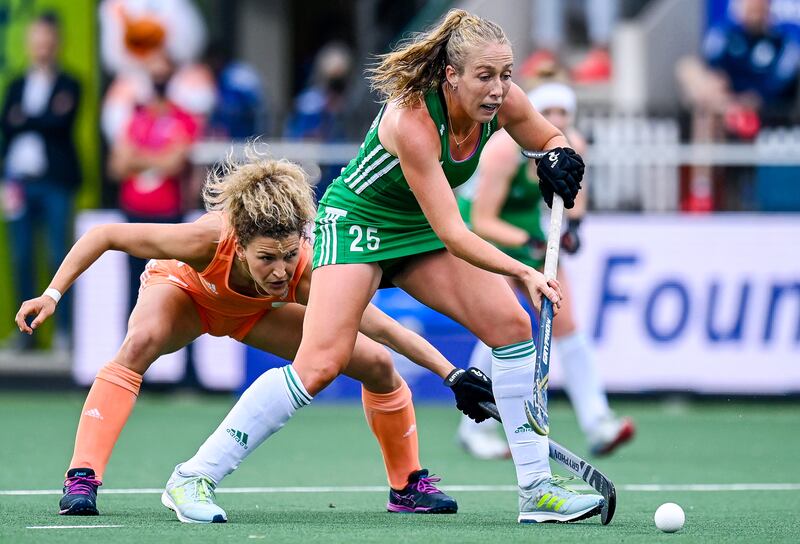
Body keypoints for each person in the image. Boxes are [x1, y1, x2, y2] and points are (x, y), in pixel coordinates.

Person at [208, 9, 604, 524]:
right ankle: (196, 475)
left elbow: (550, 138)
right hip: (358, 222)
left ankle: (537, 490)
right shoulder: (412, 120)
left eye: (506, 75)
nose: (498, 89)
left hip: (415, 226)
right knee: (319, 365)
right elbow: (455, 234)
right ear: (451, 76)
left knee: (509, 327)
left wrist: (556, 156)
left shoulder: (504, 100)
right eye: (484, 76)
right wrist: (525, 271)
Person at [15, 147, 494, 520]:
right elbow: (105, 236)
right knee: (137, 346)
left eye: (288, 255)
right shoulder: (204, 241)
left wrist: (451, 374)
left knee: (377, 365)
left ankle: (407, 486)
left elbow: (379, 324)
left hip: (252, 315)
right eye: (267, 258)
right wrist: (51, 296)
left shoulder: (304, 271)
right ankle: (82, 478)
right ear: (240, 246)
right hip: (185, 294)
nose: (281, 270)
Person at [455, 80, 634, 460]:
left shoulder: (572, 146)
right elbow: (483, 220)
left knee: (567, 324)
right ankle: (474, 428)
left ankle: (598, 422)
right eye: (547, 113)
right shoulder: (504, 151)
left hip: (531, 235)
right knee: (499, 324)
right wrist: (528, 243)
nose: (555, 121)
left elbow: (574, 204)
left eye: (562, 114)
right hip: (491, 235)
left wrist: (572, 233)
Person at [1, 13, 81, 352]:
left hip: (54, 184)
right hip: (18, 183)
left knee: (57, 256)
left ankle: (64, 334)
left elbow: (59, 125)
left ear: (56, 42)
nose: (42, 46)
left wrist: (27, 119)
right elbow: (8, 124)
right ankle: (25, 335)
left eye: (48, 39)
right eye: (37, 39)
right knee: (20, 256)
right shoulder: (18, 84)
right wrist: (43, 118)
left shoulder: (69, 84)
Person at [676, 0, 800, 210]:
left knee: (715, 109)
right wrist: (729, 106)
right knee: (689, 71)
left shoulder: (783, 42)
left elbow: (773, 89)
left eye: (758, 6)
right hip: (726, 111)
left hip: (767, 115)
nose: (752, 11)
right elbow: (714, 74)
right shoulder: (725, 35)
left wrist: (744, 104)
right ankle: (702, 191)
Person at [107, 49, 201, 313]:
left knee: (180, 285)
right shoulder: (136, 118)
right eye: (154, 73)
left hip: (169, 214)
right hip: (134, 213)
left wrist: (137, 156)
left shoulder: (184, 118)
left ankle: (188, 355)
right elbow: (117, 166)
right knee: (133, 287)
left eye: (163, 73)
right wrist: (158, 157)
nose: (159, 78)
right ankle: (130, 349)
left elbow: (175, 164)